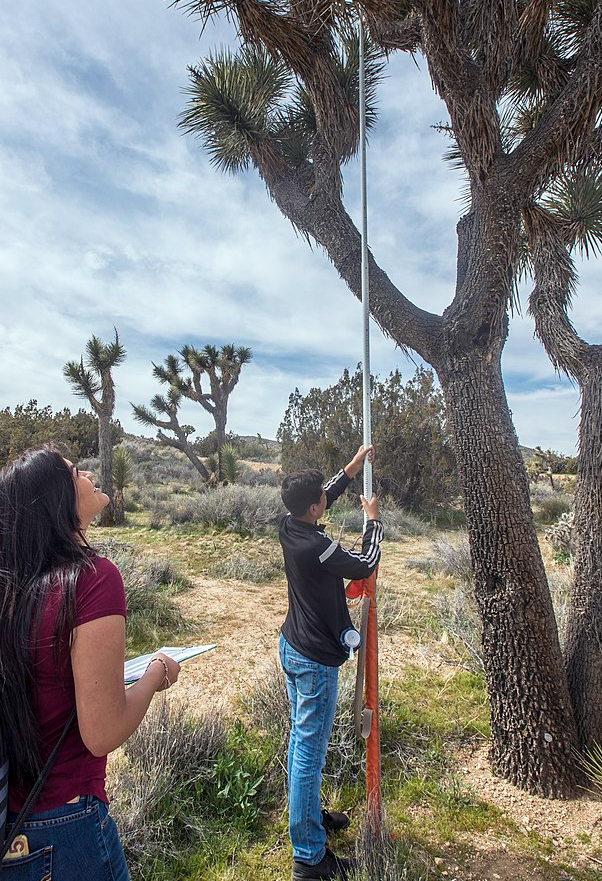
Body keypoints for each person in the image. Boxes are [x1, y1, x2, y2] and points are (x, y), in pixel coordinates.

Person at [0, 445, 181, 880]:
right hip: (70, 829)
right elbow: (103, 732)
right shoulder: (94, 579)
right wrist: (157, 671)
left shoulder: (15, 590)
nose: (89, 476)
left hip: (15, 824)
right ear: (59, 500)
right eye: (76, 472)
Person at [279, 446, 384, 881]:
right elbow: (365, 563)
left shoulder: (289, 524)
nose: (325, 499)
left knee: (300, 745)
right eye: (321, 498)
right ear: (314, 509)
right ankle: (309, 858)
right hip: (316, 660)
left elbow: (319, 494)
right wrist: (374, 520)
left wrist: (350, 470)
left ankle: (308, 820)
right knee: (308, 754)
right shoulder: (319, 546)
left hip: (293, 647)